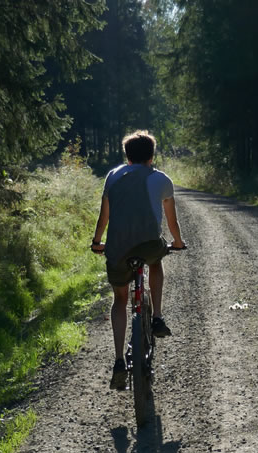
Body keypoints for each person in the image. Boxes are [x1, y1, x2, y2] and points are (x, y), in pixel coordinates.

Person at [90, 130, 186, 390]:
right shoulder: (161, 179)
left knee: (120, 299)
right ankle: (156, 316)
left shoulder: (113, 176)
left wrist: (97, 241)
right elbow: (171, 221)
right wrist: (176, 242)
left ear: (127, 156)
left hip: (118, 247)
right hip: (148, 244)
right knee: (156, 260)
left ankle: (119, 359)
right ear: (152, 156)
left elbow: (104, 216)